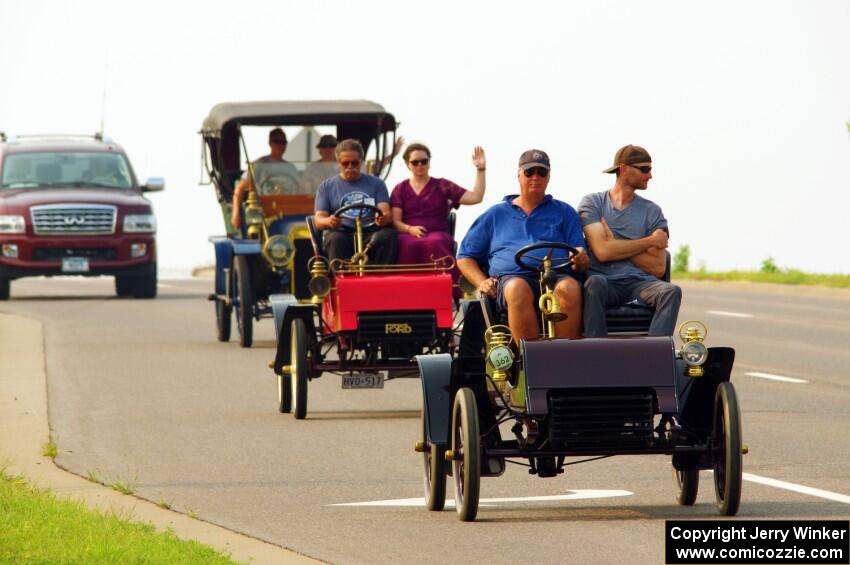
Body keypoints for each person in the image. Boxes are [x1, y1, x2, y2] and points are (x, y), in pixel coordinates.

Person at [456, 149, 589, 341]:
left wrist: (580, 260)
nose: (535, 177)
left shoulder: (565, 212)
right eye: (529, 172)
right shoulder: (495, 215)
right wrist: (481, 281)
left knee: (569, 288)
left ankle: (564, 361)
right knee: (517, 288)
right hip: (512, 278)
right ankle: (527, 363)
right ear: (519, 175)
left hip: (557, 276)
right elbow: (465, 257)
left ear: (548, 177)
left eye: (541, 172)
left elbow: (579, 258)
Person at [578, 144, 681, 337]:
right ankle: (595, 353)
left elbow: (658, 267)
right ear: (624, 169)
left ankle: (654, 357)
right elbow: (602, 253)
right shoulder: (592, 203)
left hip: (639, 284)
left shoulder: (652, 211)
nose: (650, 175)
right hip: (605, 283)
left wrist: (614, 242)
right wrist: (649, 241)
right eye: (645, 169)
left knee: (671, 291)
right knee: (594, 283)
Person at [390, 143, 485, 273]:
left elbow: (476, 197)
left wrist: (481, 170)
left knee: (435, 242)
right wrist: (410, 229)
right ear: (407, 164)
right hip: (407, 234)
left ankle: (447, 287)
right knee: (405, 243)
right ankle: (404, 287)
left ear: (429, 162)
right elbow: (395, 221)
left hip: (438, 234)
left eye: (424, 161)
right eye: (415, 162)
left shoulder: (443, 185)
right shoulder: (399, 189)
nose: (420, 165)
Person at [313, 138, 397, 264]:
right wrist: (329, 221)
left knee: (388, 235)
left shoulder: (377, 184)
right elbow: (319, 220)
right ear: (338, 163)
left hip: (370, 232)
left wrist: (382, 218)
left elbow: (386, 211)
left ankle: (381, 278)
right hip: (341, 232)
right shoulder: (326, 187)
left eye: (354, 163)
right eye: (345, 163)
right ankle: (341, 279)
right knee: (335, 239)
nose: (350, 167)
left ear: (361, 162)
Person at [231, 128, 300, 229]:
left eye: (283, 142)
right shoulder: (258, 165)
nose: (281, 145)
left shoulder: (291, 168)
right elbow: (240, 188)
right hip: (264, 212)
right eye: (277, 141)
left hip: (287, 211)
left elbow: (300, 190)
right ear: (270, 143)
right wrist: (236, 213)